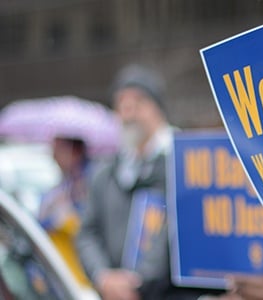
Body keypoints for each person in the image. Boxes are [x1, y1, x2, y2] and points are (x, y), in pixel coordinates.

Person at [75, 64, 185, 300]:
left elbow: (178, 228)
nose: (128, 111)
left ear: (158, 108)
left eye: (137, 102)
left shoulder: (183, 164)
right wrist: (103, 276)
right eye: (121, 104)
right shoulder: (106, 173)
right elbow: (87, 232)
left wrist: (139, 283)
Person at [38, 136, 91, 287]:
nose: (54, 157)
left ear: (74, 151)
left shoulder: (89, 181)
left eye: (58, 150)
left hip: (80, 271)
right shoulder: (64, 184)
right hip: (62, 268)